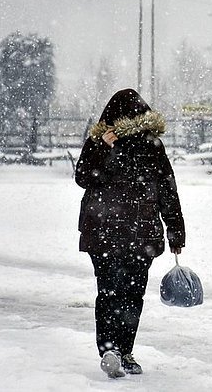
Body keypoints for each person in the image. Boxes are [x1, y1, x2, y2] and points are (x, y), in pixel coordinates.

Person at [75, 88, 185, 378]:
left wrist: (175, 229)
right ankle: (119, 350)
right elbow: (84, 178)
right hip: (129, 232)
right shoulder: (107, 142)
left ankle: (115, 349)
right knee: (130, 294)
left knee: (113, 292)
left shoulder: (148, 145)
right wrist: (175, 229)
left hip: (114, 232)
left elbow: (164, 187)